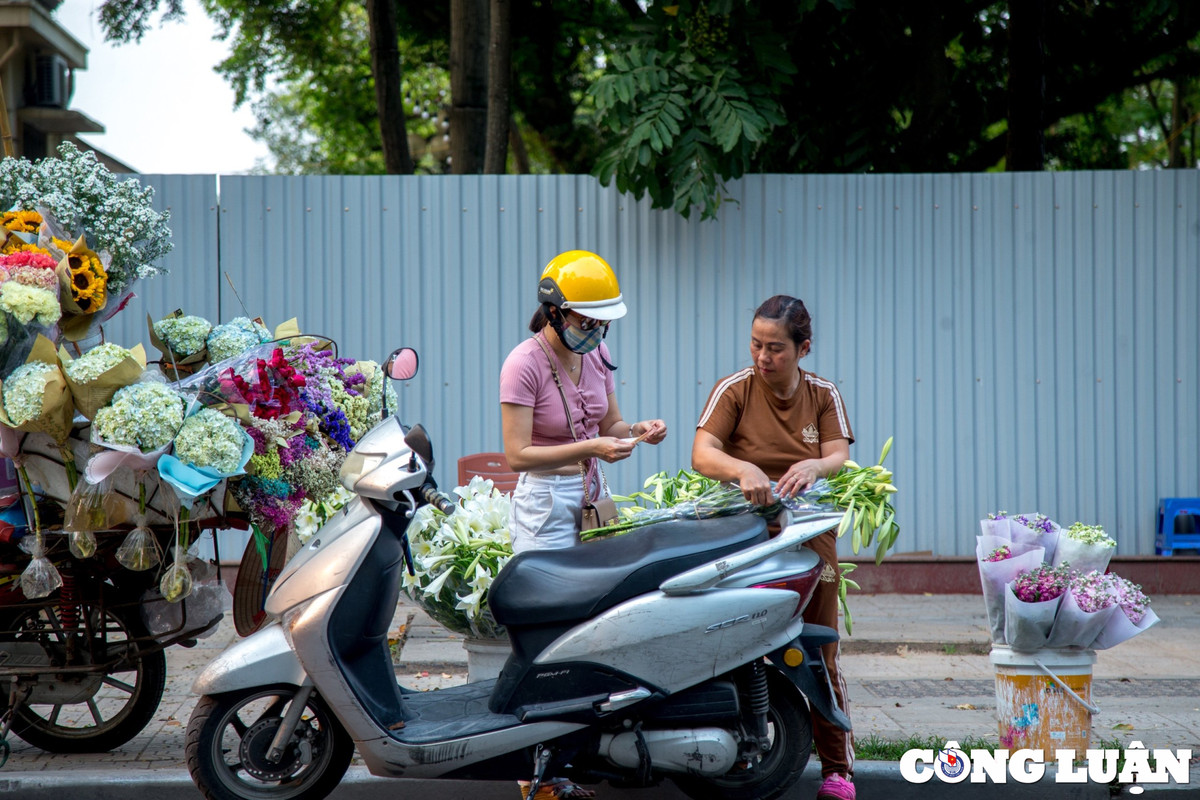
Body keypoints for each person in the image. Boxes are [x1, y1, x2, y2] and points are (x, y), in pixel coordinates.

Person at [499, 249, 666, 799]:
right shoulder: (523, 363)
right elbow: (518, 454)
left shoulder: (597, 353)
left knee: (591, 623)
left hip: (594, 494)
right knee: (545, 633)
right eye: (585, 322)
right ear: (554, 312)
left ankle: (572, 754)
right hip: (545, 502)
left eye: (602, 324)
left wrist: (635, 429)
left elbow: (611, 420)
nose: (595, 333)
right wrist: (593, 445)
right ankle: (532, 770)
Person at [691, 294, 857, 800]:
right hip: (740, 532)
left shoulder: (823, 394)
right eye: (756, 345)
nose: (763, 357)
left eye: (776, 348)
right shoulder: (735, 390)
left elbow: (839, 455)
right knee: (727, 643)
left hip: (807, 532)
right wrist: (743, 470)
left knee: (818, 647)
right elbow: (703, 453)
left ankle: (837, 770)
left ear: (803, 348)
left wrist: (813, 466)